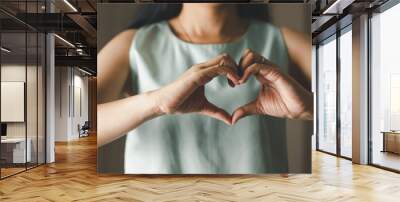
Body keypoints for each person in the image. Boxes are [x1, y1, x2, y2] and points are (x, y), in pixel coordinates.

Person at [98, 3, 312, 174]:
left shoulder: (283, 41)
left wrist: (308, 108)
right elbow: (80, 125)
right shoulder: (134, 44)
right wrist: (157, 103)